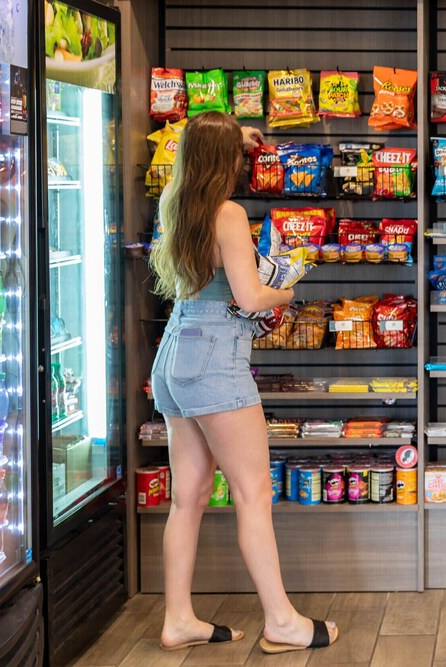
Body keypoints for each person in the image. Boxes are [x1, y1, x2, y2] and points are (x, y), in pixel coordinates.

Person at [148, 112, 338, 654]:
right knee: (253, 493)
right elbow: (251, 299)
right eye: (236, 154)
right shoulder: (227, 214)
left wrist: (231, 135)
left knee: (187, 498)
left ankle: (178, 619)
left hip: (175, 353)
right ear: (225, 160)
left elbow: (195, 146)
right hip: (216, 359)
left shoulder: (175, 200)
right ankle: (282, 622)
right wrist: (286, 289)